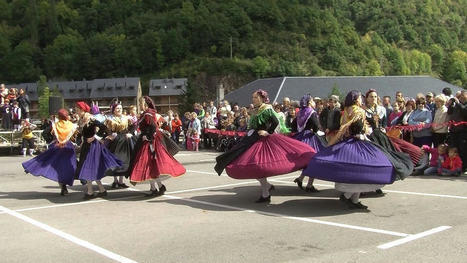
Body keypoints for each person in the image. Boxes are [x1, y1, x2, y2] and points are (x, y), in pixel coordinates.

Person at [303, 91, 410, 210]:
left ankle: (354, 200)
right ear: (355, 99)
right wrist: (365, 133)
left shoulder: (346, 112)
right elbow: (359, 129)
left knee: (357, 172)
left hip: (348, 142)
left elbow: (343, 129)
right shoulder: (359, 111)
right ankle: (347, 196)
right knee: (365, 170)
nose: (361, 100)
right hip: (358, 143)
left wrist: (331, 144)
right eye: (360, 98)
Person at [215, 89, 315, 203]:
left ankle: (265, 192)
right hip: (252, 139)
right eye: (253, 97)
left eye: (255, 97)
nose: (253, 99)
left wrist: (268, 132)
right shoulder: (256, 110)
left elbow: (275, 122)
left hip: (263, 141)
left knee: (258, 165)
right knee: (246, 163)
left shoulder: (267, 109)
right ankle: (266, 187)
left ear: (262, 98)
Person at [129, 96, 185, 195]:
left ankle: (156, 187)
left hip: (150, 142)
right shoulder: (148, 113)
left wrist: (148, 137)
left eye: (140, 103)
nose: (139, 106)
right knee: (150, 165)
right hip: (149, 140)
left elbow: (153, 127)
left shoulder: (148, 114)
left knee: (148, 164)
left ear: (144, 104)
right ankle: (157, 187)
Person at [22, 109, 77, 195]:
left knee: (57, 167)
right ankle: (74, 181)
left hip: (57, 147)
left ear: (59, 116)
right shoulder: (72, 125)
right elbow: (76, 136)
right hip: (68, 147)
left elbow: (44, 133)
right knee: (68, 166)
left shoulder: (55, 125)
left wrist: (50, 140)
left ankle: (63, 187)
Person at [75, 101, 122, 199]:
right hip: (86, 147)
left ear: (83, 110)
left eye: (78, 110)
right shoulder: (81, 120)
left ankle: (90, 191)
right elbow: (82, 134)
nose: (76, 112)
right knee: (89, 168)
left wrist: (94, 137)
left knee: (88, 167)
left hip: (93, 147)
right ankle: (101, 190)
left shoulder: (91, 119)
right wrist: (80, 142)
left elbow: (104, 128)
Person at [292, 94, 324, 192]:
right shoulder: (311, 112)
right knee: (314, 160)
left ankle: (301, 179)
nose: (314, 102)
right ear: (309, 102)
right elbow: (315, 125)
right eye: (313, 100)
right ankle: (309, 185)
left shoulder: (300, 112)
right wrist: (315, 130)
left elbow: (293, 125)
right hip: (310, 137)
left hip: (301, 137)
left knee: (309, 162)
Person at [105, 102, 134, 188]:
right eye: (117, 108)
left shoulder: (126, 118)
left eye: (120, 108)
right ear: (113, 110)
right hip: (115, 141)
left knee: (124, 160)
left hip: (124, 140)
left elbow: (133, 126)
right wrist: (110, 134)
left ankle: (121, 181)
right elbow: (106, 129)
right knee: (115, 160)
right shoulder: (110, 119)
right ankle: (115, 181)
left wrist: (130, 133)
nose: (119, 110)